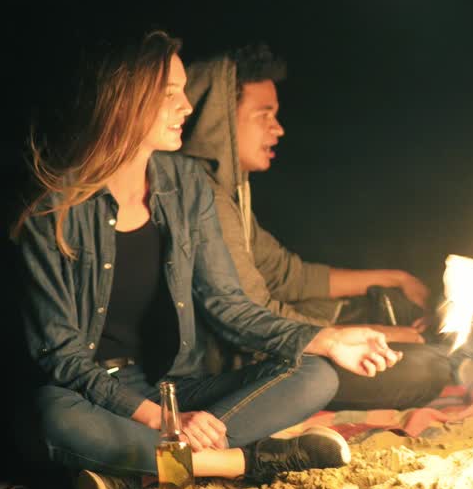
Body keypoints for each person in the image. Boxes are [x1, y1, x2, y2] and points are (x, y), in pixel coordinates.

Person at [12, 30, 401, 489]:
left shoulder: (187, 184)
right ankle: (245, 462)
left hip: (177, 384)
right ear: (123, 101)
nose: (187, 107)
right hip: (96, 396)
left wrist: (326, 338)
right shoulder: (54, 211)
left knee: (316, 373)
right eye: (170, 94)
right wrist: (162, 421)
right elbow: (62, 356)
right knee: (52, 414)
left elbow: (227, 303)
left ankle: (132, 479)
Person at [180, 43, 452, 410]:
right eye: (264, 115)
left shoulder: (232, 192)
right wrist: (382, 335)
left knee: (401, 312)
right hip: (242, 363)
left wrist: (394, 278)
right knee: (427, 368)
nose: (278, 129)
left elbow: (286, 274)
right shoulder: (202, 196)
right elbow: (252, 315)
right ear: (221, 120)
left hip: (278, 342)